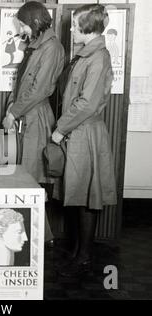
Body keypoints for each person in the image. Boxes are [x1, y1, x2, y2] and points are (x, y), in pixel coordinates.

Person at [51, 4, 117, 277]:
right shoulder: (86, 55)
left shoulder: (97, 57)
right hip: (77, 131)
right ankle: (80, 252)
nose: (70, 28)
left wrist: (60, 129)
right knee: (79, 193)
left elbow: (87, 103)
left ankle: (85, 256)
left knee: (88, 195)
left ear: (88, 28)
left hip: (83, 131)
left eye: (75, 24)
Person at [1, 1, 65, 244]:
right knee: (25, 179)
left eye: (24, 25)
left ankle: (40, 237)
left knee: (31, 180)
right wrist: (11, 107)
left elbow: (38, 90)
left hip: (35, 118)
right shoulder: (37, 46)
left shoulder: (51, 48)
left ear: (36, 22)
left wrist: (12, 114)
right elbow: (21, 85)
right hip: (25, 116)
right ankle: (36, 235)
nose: (22, 31)